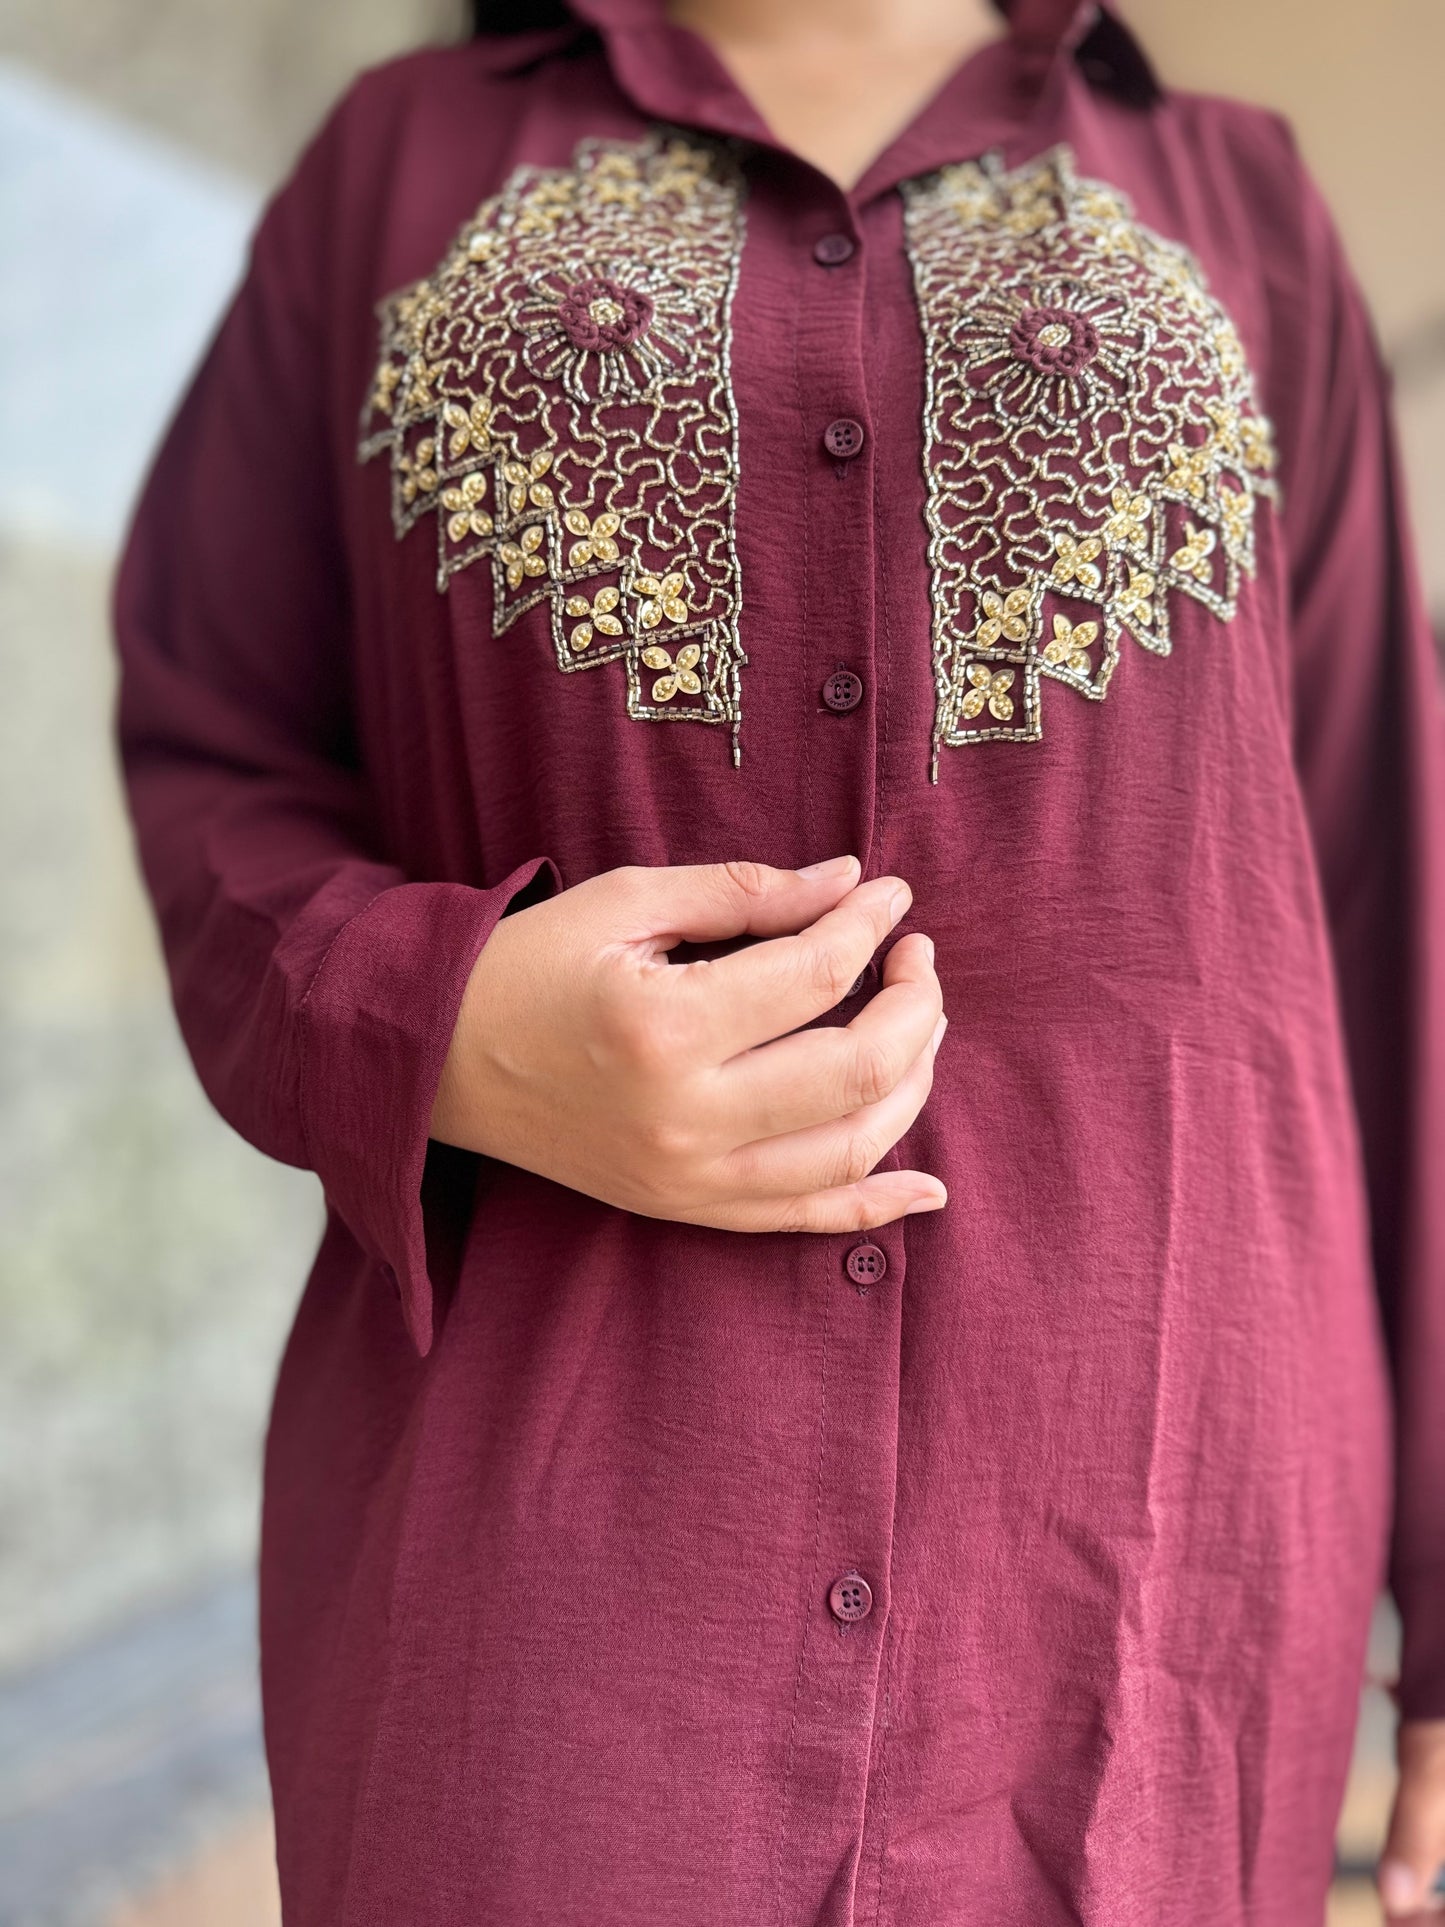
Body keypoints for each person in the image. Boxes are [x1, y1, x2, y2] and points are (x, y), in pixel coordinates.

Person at [111, 0, 1445, 1917]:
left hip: (1150, 1528)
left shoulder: (1233, 195)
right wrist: (449, 1022)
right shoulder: (398, 164)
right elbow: (215, 748)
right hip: (557, 1519)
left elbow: (1389, 881)